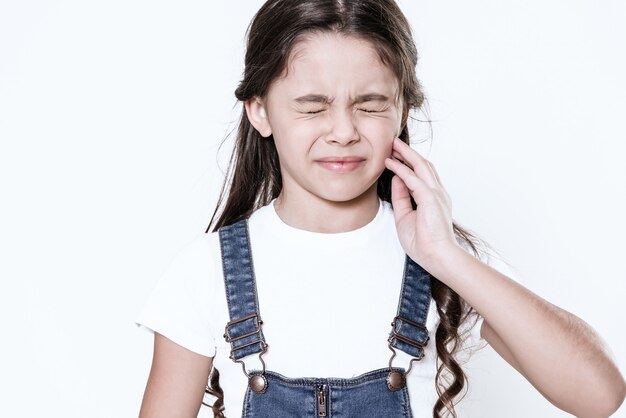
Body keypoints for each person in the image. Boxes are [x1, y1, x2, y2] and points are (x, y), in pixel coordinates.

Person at [136, 1, 625, 417]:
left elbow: (599, 396)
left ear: (402, 109)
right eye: (312, 106)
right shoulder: (203, 272)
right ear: (260, 110)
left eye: (369, 104)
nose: (344, 130)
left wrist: (447, 257)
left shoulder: (442, 261)